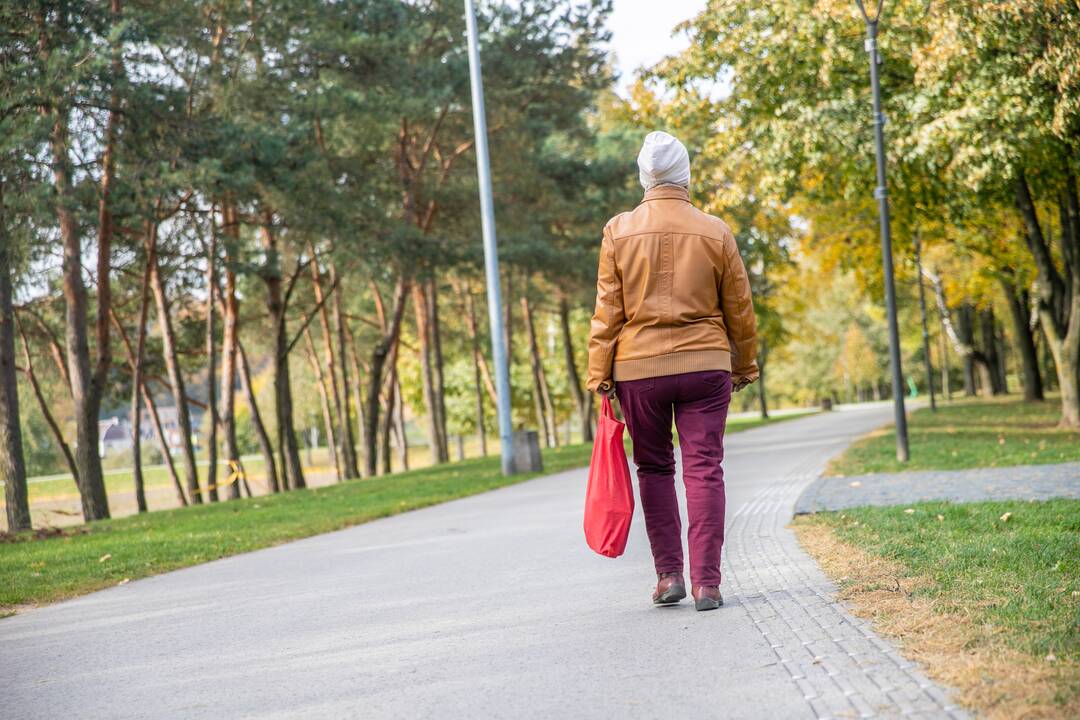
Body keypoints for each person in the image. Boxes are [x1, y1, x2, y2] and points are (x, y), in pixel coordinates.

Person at [586, 131, 758, 611]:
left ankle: (668, 578)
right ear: (685, 174)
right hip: (705, 364)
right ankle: (707, 583)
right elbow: (739, 307)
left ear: (645, 177)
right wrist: (743, 363)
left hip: (638, 369)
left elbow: (607, 312)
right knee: (704, 469)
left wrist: (599, 373)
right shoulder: (715, 231)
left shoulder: (617, 230)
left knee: (655, 467)